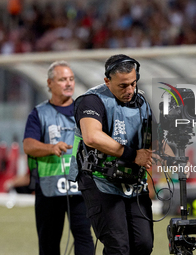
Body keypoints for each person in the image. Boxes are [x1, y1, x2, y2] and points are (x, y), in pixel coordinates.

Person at [68, 54, 154, 255]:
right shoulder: (91, 101)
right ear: (107, 81)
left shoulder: (141, 103)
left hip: (133, 182)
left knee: (143, 245)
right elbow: (92, 137)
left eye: (133, 83)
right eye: (123, 86)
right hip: (99, 181)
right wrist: (133, 155)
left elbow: (149, 143)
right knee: (118, 247)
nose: (130, 90)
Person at [23, 61, 94, 255]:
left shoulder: (86, 111)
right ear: (50, 83)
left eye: (71, 79)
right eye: (63, 79)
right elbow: (28, 145)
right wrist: (50, 147)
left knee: (84, 237)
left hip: (80, 186)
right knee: (49, 241)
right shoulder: (39, 113)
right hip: (49, 187)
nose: (68, 83)